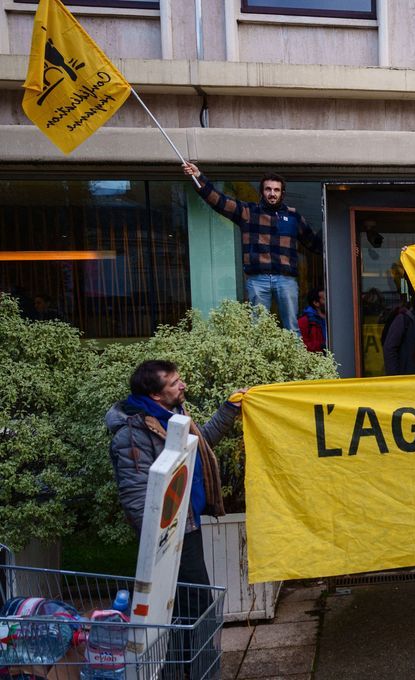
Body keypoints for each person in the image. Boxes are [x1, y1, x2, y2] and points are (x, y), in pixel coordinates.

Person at [106, 360, 245, 668]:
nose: (182, 385)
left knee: (184, 607)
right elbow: (135, 496)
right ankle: (200, 668)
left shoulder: (172, 416)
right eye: (174, 383)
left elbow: (201, 443)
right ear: (156, 395)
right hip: (171, 535)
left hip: (186, 526)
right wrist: (162, 542)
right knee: (198, 606)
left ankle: (180, 669)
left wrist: (229, 409)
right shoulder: (132, 433)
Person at [182, 161, 321, 334]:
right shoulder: (249, 212)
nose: (272, 193)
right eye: (268, 189)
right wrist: (198, 177)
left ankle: (298, 361)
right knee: (258, 329)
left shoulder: (293, 216)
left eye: (276, 190)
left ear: (282, 193)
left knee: (292, 328)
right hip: (258, 280)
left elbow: (315, 244)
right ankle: (260, 361)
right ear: (262, 191)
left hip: (286, 279)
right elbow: (219, 201)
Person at [298, 288, 327, 352]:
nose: (329, 302)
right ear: (316, 303)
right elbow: (301, 345)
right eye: (325, 299)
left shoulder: (334, 319)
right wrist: (322, 345)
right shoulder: (304, 321)